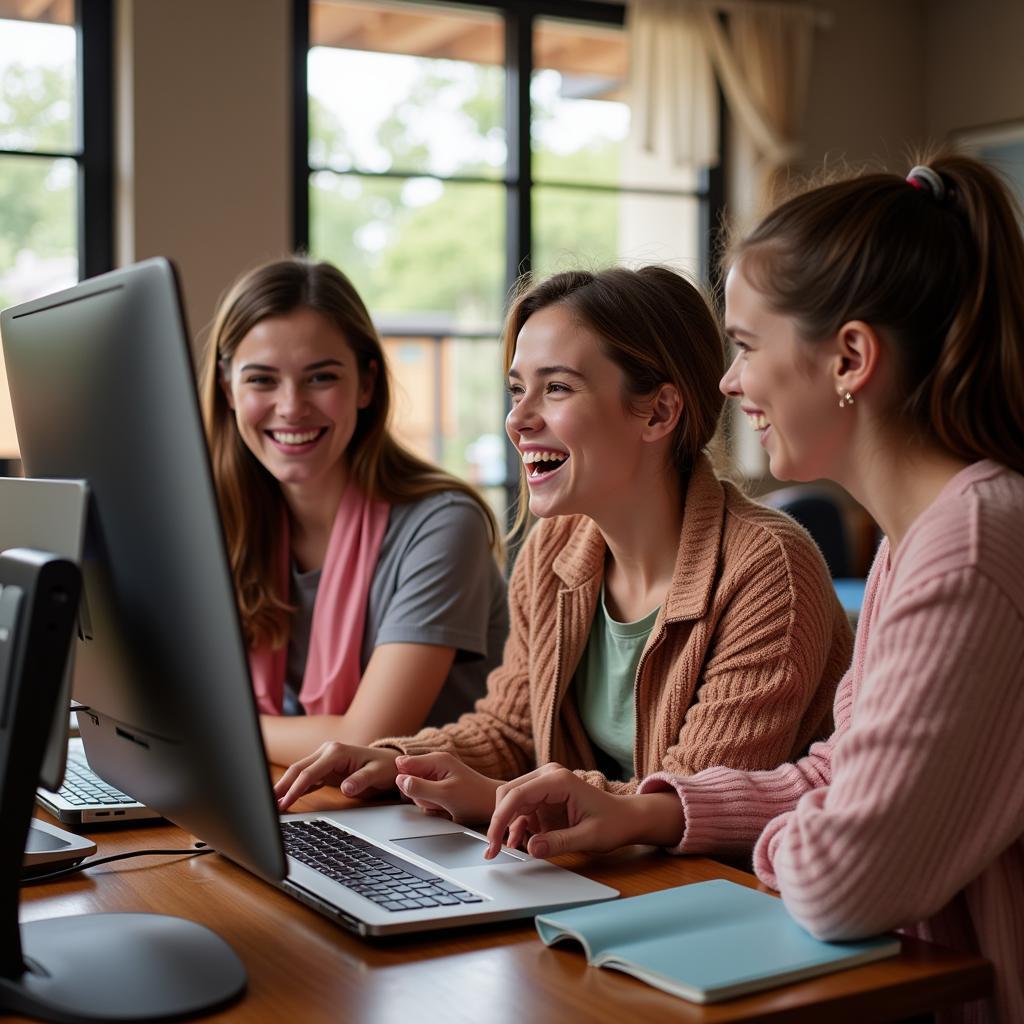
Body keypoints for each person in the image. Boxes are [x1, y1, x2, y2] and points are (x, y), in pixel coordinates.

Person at [484, 155, 1024, 1024]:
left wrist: (760, 844)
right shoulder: (916, 542)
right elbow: (839, 773)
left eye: (743, 346)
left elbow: (844, 879)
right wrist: (649, 811)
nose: (727, 384)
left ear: (850, 358)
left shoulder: (965, 550)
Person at [275, 264, 852, 823]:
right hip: (604, 876)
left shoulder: (767, 568)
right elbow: (509, 730)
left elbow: (687, 797)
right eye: (516, 389)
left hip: (735, 895)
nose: (517, 419)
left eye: (555, 388)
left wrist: (501, 795)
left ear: (659, 411)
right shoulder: (554, 549)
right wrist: (399, 760)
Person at [199, 257, 508, 766]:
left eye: (320, 377)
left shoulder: (443, 525)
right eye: (262, 380)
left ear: (366, 384)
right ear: (228, 388)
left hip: (440, 826)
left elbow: (364, 740)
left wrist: (203, 724)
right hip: (313, 804)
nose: (291, 406)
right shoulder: (220, 523)